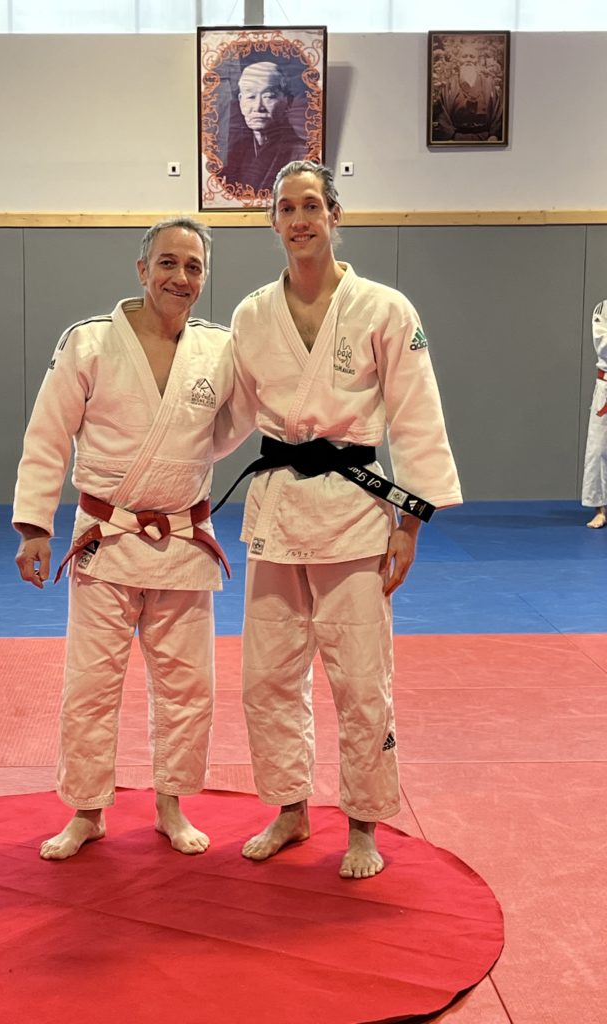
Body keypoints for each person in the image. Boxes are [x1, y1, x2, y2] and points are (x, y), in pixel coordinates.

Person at [225, 161, 462, 879]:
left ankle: (363, 824)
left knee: (360, 681)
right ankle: (290, 809)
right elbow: (226, 416)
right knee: (266, 678)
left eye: (311, 206)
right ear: (273, 221)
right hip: (276, 512)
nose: (299, 220)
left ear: (335, 214)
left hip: (355, 513)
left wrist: (408, 525)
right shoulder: (250, 315)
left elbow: (417, 419)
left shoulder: (385, 309)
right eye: (286, 208)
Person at [12, 217, 234, 860]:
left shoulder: (220, 349)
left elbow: (236, 423)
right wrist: (34, 526)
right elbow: (48, 434)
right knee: (91, 685)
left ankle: (171, 805)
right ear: (142, 270)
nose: (180, 277)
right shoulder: (89, 342)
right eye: (168, 263)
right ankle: (87, 811)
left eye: (193, 267)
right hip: (105, 539)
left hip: (184, 539)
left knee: (188, 687)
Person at [222, 61, 306, 193]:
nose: (258, 107)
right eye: (250, 97)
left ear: (288, 101)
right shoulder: (237, 150)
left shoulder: (301, 152)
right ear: (240, 101)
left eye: (268, 96)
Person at [432, 41, 503, 142]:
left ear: (477, 60)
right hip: (456, 138)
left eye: (472, 57)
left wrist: (494, 134)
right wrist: (449, 136)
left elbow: (497, 112)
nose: (468, 60)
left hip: (485, 138)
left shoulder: (488, 84)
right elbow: (442, 113)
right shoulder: (450, 85)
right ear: (459, 60)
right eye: (464, 56)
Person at [582, 299, 607, 528]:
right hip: (606, 387)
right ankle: (600, 509)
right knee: (599, 449)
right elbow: (602, 345)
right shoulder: (603, 309)